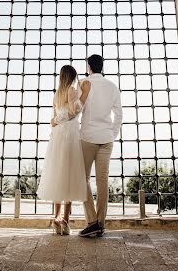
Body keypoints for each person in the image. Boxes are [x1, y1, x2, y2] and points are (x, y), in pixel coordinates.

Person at [37, 65, 90, 235]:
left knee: (58, 174)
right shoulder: (72, 89)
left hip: (57, 136)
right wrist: (85, 95)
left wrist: (54, 121)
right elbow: (74, 112)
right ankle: (65, 222)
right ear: (72, 76)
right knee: (69, 176)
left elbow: (56, 117)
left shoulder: (57, 94)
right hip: (69, 135)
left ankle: (57, 218)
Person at [78, 54, 122, 237]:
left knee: (83, 178)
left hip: (88, 137)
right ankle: (101, 224)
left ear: (89, 66)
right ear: (102, 67)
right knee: (102, 181)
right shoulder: (112, 86)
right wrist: (112, 134)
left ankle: (92, 221)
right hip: (106, 139)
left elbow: (77, 107)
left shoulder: (83, 83)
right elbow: (119, 115)